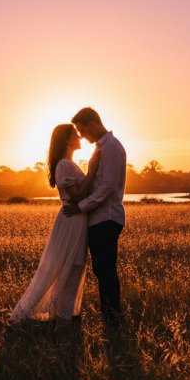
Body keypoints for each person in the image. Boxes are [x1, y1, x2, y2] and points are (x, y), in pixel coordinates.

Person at [10, 124, 99, 322]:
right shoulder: (64, 164)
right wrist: (92, 171)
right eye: (75, 134)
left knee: (73, 265)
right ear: (67, 140)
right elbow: (76, 194)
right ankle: (60, 316)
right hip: (71, 220)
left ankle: (65, 315)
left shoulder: (67, 163)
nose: (80, 137)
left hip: (76, 219)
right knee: (69, 265)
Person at [62, 107, 126, 329]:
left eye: (82, 131)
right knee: (102, 270)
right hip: (98, 219)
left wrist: (81, 206)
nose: (82, 137)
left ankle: (112, 319)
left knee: (106, 270)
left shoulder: (112, 148)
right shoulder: (102, 147)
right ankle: (110, 317)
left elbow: (107, 187)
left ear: (92, 124)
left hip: (106, 218)